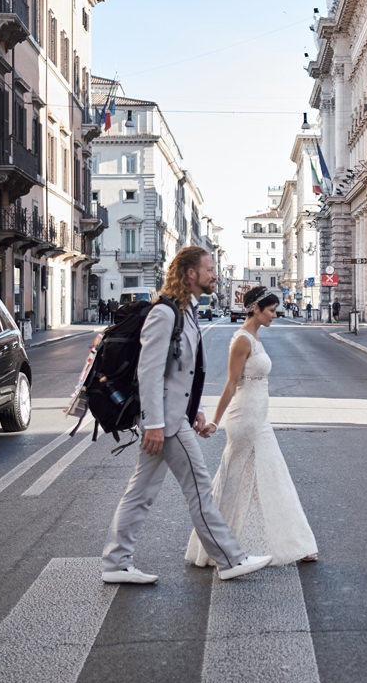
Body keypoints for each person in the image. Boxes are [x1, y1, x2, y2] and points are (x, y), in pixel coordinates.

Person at [101, 246, 271, 584]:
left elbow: (180, 372)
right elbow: (148, 373)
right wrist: (153, 424)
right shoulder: (165, 313)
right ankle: (230, 559)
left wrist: (195, 411)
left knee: (141, 492)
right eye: (209, 269)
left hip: (175, 416)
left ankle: (115, 563)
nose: (215, 275)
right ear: (191, 274)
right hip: (165, 421)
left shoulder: (186, 311)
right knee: (199, 487)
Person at [186, 285, 318, 568]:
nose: (275, 315)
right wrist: (214, 421)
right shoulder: (242, 340)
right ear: (255, 309)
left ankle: (296, 544)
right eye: (270, 310)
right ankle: (216, 547)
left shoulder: (254, 337)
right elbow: (231, 385)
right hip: (245, 419)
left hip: (259, 417)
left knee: (271, 479)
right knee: (233, 482)